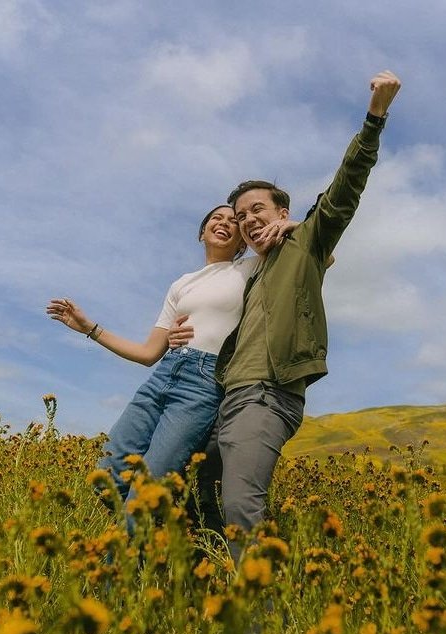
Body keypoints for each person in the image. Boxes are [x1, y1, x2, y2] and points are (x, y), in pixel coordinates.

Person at [172, 70, 402, 563]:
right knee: (203, 499)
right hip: (227, 396)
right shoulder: (252, 272)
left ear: (282, 211)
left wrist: (375, 118)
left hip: (267, 395)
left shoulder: (305, 242)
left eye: (257, 209)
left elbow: (345, 191)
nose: (247, 219)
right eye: (240, 216)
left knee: (240, 505)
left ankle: (258, 628)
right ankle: (210, 594)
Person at [46, 206, 297, 502]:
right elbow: (148, 352)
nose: (224, 223)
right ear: (202, 231)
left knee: (149, 488)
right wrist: (90, 328)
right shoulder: (181, 284)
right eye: (216, 218)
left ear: (243, 241)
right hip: (164, 374)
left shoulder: (252, 267)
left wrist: (289, 226)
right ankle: (158, 531)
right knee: (108, 475)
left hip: (203, 382)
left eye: (234, 221)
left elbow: (319, 257)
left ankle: (139, 538)